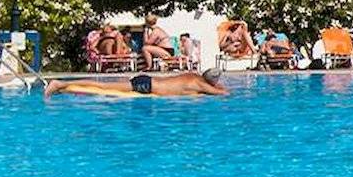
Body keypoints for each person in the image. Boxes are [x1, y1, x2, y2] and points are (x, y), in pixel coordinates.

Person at [44, 69, 228, 98]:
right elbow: (223, 95)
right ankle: (59, 84)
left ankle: (63, 86)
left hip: (147, 80)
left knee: (103, 85)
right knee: (103, 87)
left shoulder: (193, 76)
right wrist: (218, 88)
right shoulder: (200, 84)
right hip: (146, 87)